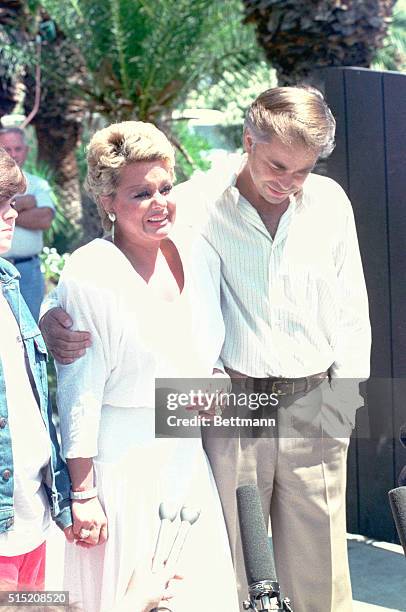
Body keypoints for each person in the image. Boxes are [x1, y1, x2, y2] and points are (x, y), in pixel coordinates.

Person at [40, 87, 371, 612]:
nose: (286, 183)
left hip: (314, 404)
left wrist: (344, 402)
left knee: (320, 577)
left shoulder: (331, 204)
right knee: (234, 566)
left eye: (302, 171)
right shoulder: (193, 203)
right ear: (247, 142)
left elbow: (353, 302)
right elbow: (105, 267)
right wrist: (49, 316)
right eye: (276, 165)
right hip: (232, 405)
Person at [49, 121, 239, 612]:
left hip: (186, 462)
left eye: (165, 188)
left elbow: (206, 350)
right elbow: (80, 392)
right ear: (108, 202)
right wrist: (84, 492)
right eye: (140, 194)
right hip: (122, 472)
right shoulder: (91, 273)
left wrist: (213, 379)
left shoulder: (198, 253)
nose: (159, 203)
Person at [0, 147, 73, 591]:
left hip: (33, 521)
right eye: (0, 203)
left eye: (10, 201)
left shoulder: (9, 285)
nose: (11, 214)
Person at [0, 127, 55, 321]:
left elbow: (45, 219)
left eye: (18, 148)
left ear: (26, 150)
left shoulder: (38, 184)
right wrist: (25, 203)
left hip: (28, 271)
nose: (13, 154)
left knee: (30, 331)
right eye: (7, 149)